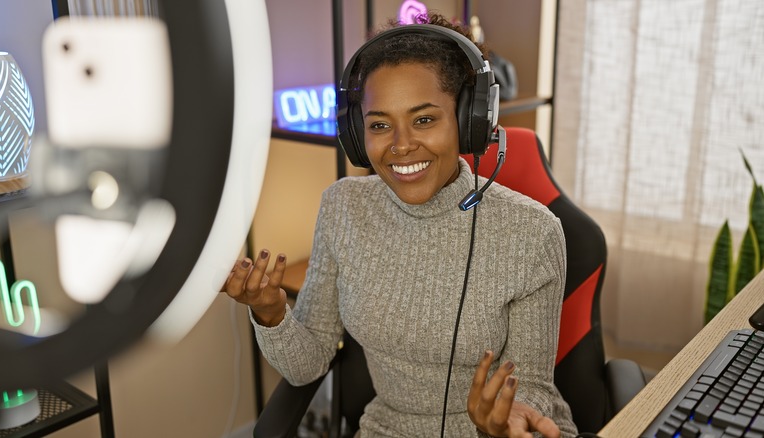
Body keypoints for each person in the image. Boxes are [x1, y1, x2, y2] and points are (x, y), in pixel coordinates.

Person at [222, 12, 578, 438]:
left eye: (424, 119)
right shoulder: (343, 208)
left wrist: (505, 421)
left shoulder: (532, 233)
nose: (402, 145)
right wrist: (272, 312)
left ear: (470, 122)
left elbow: (533, 390)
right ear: (356, 133)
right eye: (379, 125)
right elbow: (308, 364)